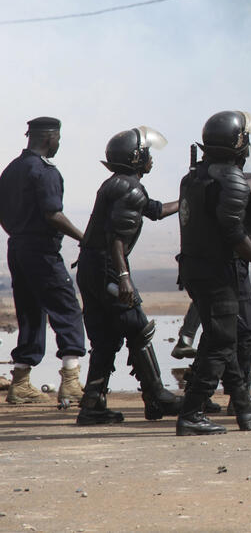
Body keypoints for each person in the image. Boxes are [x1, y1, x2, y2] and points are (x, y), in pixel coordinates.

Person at [175, 110, 251, 436]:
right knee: (221, 343)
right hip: (218, 271)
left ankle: (243, 406)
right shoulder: (230, 179)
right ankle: (191, 413)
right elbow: (234, 235)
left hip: (194, 267)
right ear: (238, 143)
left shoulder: (194, 177)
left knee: (225, 339)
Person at [75, 127, 182, 424]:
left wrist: (185, 200)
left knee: (105, 337)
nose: (151, 159)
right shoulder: (130, 188)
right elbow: (117, 239)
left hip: (91, 266)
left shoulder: (118, 185)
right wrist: (123, 277)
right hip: (109, 267)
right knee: (137, 326)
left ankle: (93, 405)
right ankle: (157, 396)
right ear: (136, 158)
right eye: (146, 153)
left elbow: (155, 210)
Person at [0, 117, 86, 404]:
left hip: (17, 247)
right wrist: (84, 238)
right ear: (50, 138)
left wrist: (20, 233)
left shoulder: (11, 170)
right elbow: (53, 214)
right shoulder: (44, 171)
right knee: (67, 308)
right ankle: (71, 380)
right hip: (41, 251)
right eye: (57, 138)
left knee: (30, 312)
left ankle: (20, 382)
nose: (58, 144)